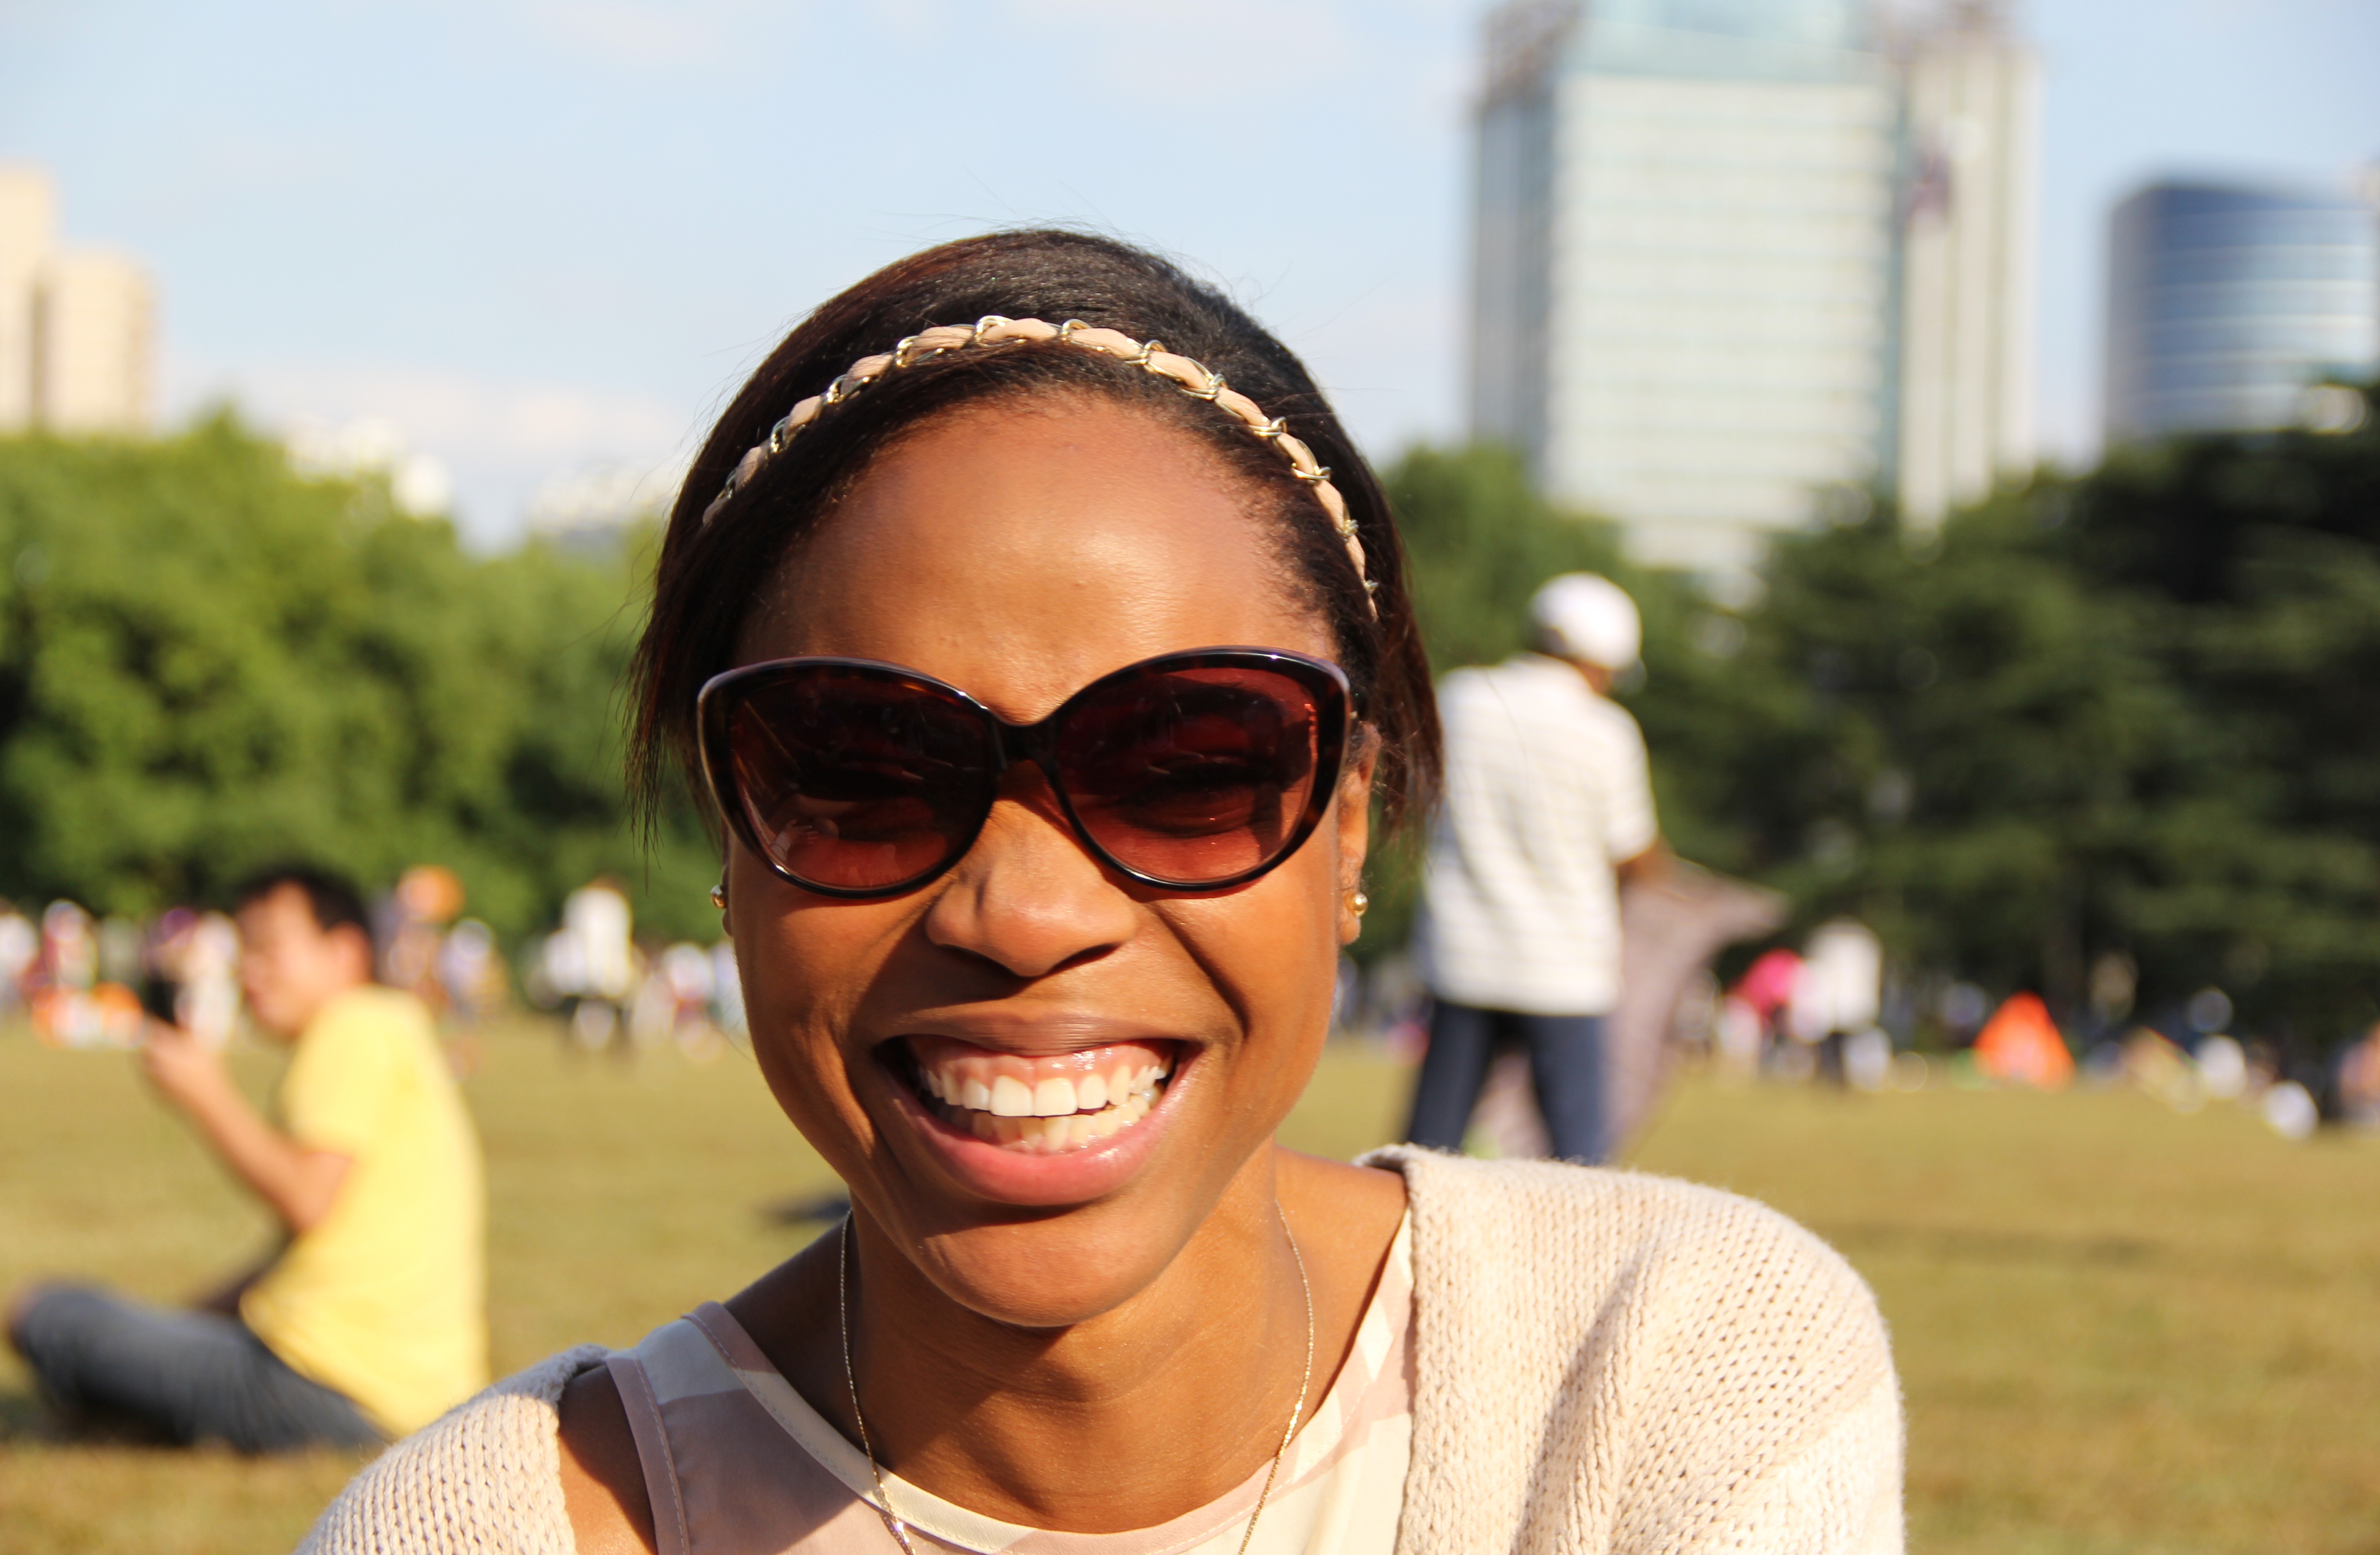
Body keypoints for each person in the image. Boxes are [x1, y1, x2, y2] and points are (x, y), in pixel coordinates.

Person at [303, 232, 1901, 1553]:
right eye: (860, 766)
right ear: (731, 844)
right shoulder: (494, 1528)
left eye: (1190, 764)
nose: (1022, 911)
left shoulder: (1670, 1379)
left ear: (1351, 829)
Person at [7, 866, 488, 1452]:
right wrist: (182, 1325)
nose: (249, 969)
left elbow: (306, 1198)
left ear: (345, 950)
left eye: (269, 948)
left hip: (328, 1383)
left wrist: (205, 1095)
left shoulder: (351, 1024)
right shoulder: (393, 1024)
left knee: (46, 1313)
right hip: (407, 1392)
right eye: (243, 949)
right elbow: (306, 1251)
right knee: (125, 1334)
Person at [1404, 573, 1669, 1163]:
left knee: (1427, 1148)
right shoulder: (1608, 733)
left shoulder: (1461, 700)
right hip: (1564, 969)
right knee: (1578, 1159)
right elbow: (1632, 852)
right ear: (1604, 662)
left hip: (1463, 954)